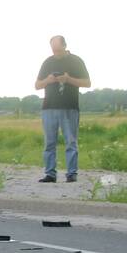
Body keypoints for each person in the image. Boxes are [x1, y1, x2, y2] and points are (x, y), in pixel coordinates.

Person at [34, 35, 91, 183]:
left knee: (71, 141)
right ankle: (50, 173)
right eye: (53, 50)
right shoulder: (47, 62)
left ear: (65, 46)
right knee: (49, 143)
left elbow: (87, 83)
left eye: (58, 50)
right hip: (49, 107)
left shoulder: (76, 61)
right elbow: (37, 85)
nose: (56, 53)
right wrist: (49, 80)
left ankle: (72, 173)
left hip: (69, 107)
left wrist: (68, 79)